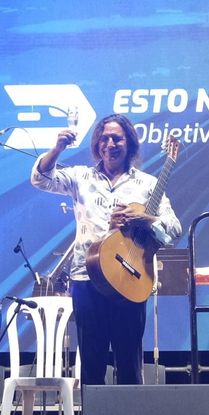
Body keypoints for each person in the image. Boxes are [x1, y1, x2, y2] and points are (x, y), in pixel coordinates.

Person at [32, 113, 182, 388]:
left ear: (130, 144)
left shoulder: (147, 184)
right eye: (104, 139)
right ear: (96, 144)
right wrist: (58, 149)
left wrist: (144, 220)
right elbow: (41, 179)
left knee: (129, 366)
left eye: (117, 138)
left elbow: (174, 228)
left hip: (132, 280)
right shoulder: (80, 176)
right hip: (88, 278)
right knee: (91, 365)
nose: (109, 144)